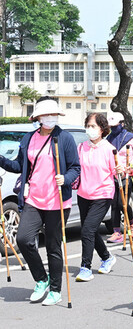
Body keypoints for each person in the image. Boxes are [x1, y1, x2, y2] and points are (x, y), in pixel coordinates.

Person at [0, 97, 80, 305]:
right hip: (33, 199)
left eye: (53, 115)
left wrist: (67, 179)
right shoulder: (28, 138)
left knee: (53, 246)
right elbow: (19, 166)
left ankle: (56, 289)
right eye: (45, 115)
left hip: (57, 201)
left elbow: (75, 167)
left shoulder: (65, 138)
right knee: (23, 239)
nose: (50, 118)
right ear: (37, 118)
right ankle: (41, 279)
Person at [75, 113, 121, 282]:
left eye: (93, 126)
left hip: (102, 194)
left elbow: (116, 170)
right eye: (88, 125)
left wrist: (122, 170)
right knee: (90, 230)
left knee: (87, 230)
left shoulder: (109, 149)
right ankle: (107, 257)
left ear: (102, 129)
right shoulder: (81, 147)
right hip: (83, 194)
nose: (90, 129)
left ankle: (85, 267)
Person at [106, 112, 133, 243]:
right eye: (111, 126)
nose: (113, 128)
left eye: (115, 126)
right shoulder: (108, 139)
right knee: (114, 204)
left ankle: (132, 223)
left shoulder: (131, 138)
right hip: (113, 175)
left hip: (127, 175)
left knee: (123, 202)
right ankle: (116, 232)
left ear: (122, 124)